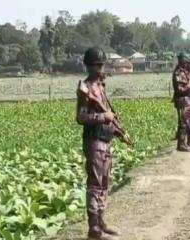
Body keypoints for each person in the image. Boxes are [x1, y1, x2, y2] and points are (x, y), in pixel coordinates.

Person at [76, 47, 124, 240]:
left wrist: (116, 128)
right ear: (89, 66)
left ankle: (101, 221)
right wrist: (104, 116)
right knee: (95, 184)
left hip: (105, 140)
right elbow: (81, 117)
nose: (100, 68)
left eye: (101, 65)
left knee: (104, 183)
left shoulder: (100, 87)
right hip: (94, 141)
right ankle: (94, 228)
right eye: (97, 65)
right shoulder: (86, 88)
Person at [172, 53, 190, 152]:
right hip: (182, 100)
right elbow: (179, 89)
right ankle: (181, 144)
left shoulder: (186, 72)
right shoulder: (178, 72)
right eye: (188, 63)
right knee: (183, 123)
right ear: (184, 62)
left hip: (189, 100)